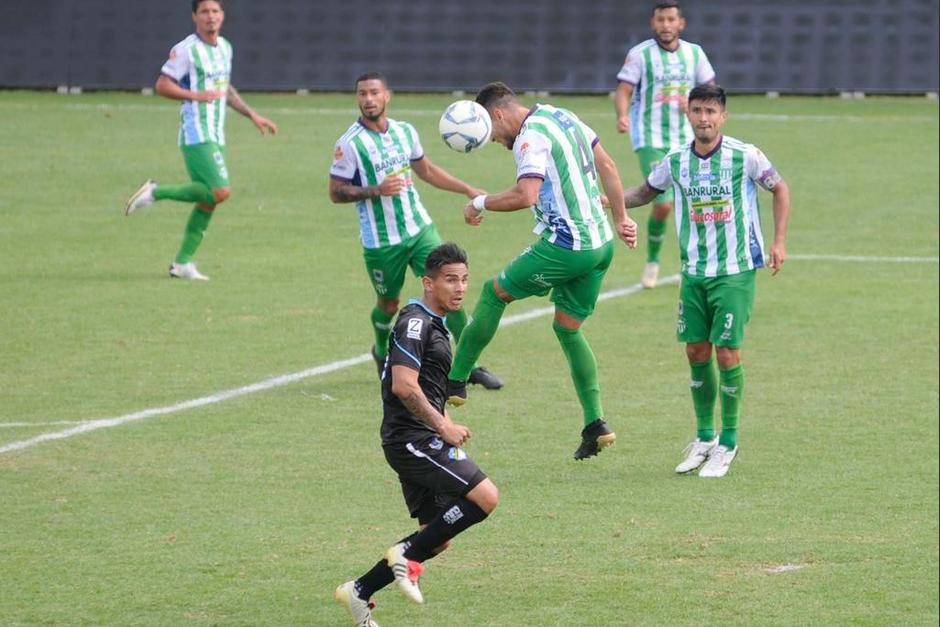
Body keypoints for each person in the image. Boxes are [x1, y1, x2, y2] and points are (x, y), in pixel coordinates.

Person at [445, 82, 638, 461]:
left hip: (568, 247)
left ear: (498, 114)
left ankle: (455, 380)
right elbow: (609, 166)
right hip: (600, 245)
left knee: (492, 293)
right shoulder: (558, 114)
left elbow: (526, 195)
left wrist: (479, 202)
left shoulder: (529, 138)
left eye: (492, 134)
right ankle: (595, 423)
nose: (497, 142)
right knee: (567, 328)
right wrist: (621, 217)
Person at [622, 84, 790, 477]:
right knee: (696, 352)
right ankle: (704, 438)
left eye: (711, 111)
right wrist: (607, 200)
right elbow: (646, 192)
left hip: (734, 271)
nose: (704, 118)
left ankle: (728, 442)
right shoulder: (677, 160)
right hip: (694, 272)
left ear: (723, 116)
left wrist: (779, 242)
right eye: (697, 111)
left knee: (727, 353)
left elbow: (779, 187)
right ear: (688, 114)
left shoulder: (744, 155)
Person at [335, 242, 499, 626]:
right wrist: (442, 426)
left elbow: (426, 386)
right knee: (486, 497)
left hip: (421, 438)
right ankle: (404, 556)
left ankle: (358, 592)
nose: (459, 288)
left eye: (463, 280)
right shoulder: (415, 323)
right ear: (428, 283)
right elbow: (404, 386)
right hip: (412, 440)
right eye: (449, 280)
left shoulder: (434, 323)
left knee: (436, 537)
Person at [329, 72, 503, 390]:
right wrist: (376, 190)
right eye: (362, 94)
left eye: (374, 93)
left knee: (450, 289)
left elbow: (427, 170)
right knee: (389, 305)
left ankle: (467, 366)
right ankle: (381, 349)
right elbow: (336, 192)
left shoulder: (404, 132)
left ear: (387, 96)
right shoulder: (350, 144)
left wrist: (466, 189)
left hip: (420, 229)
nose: (368, 99)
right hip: (382, 242)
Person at [123, 0, 278, 281]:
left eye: (215, 11)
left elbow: (225, 90)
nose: (210, 17)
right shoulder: (187, 50)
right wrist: (195, 96)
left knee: (208, 200)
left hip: (216, 133)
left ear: (223, 16)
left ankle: (182, 263)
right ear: (194, 16)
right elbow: (162, 85)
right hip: (196, 133)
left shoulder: (226, 48)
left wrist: (252, 114)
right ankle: (156, 191)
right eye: (204, 11)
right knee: (220, 191)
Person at [614, 0, 715, 288]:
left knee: (700, 201)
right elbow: (623, 90)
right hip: (650, 138)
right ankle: (653, 261)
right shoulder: (640, 54)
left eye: (671, 19)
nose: (666, 25)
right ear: (653, 23)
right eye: (661, 19)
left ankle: (700, 260)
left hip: (688, 138)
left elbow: (711, 90)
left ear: (681, 23)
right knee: (663, 204)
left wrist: (695, 100)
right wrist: (623, 116)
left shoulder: (695, 54)